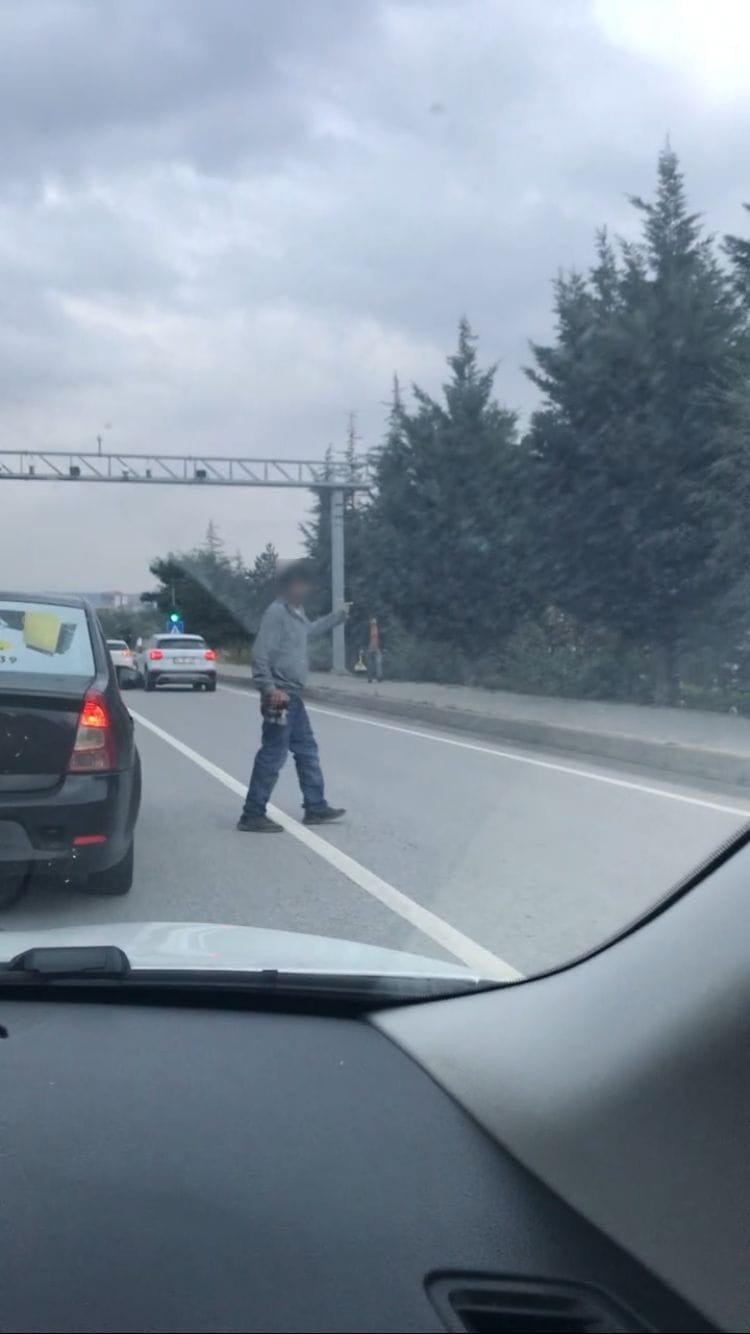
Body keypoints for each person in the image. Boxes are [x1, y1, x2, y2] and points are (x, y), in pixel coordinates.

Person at [237, 562, 351, 833]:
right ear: (289, 586)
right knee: (273, 754)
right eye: (302, 583)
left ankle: (316, 807)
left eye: (307, 584)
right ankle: (252, 814)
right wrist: (269, 689)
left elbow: (308, 632)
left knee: (306, 750)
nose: (307, 588)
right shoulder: (277, 613)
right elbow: (260, 653)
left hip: (293, 695)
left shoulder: (296, 613)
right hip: (280, 695)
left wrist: (338, 617)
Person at [365, 616, 383, 683]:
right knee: (377, 663)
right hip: (374, 647)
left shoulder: (373, 628)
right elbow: (375, 637)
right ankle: (379, 677)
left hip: (372, 647)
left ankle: (371, 678)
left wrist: (372, 647)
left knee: (371, 663)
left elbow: (374, 637)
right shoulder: (375, 628)